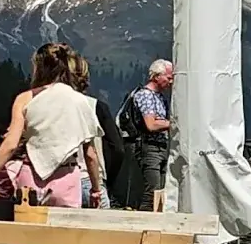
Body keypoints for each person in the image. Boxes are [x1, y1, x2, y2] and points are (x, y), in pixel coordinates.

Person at [0, 43, 102, 207]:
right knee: (64, 230)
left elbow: (10, 144)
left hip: (31, 174)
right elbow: (90, 154)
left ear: (40, 67)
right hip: (67, 177)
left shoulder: (26, 98)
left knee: (26, 228)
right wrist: (96, 190)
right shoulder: (80, 101)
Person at [67, 52, 125, 208]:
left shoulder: (47, 104)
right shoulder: (95, 106)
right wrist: (106, 179)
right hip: (90, 180)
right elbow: (117, 149)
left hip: (58, 182)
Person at [117, 58, 172, 211]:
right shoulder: (145, 96)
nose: (171, 81)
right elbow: (151, 124)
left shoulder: (160, 97)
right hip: (149, 147)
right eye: (168, 77)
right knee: (151, 192)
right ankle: (145, 223)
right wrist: (173, 124)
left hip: (161, 146)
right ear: (156, 76)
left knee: (159, 192)